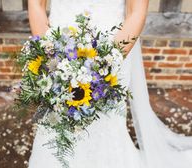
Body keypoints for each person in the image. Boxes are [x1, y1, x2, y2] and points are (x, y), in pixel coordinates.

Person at [28, 0, 192, 168]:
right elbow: (36, 5)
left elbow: (136, 12)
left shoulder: (110, 58)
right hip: (58, 49)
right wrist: (52, 57)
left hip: (114, 48)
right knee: (58, 118)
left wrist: (104, 65)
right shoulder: (54, 58)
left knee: (107, 120)